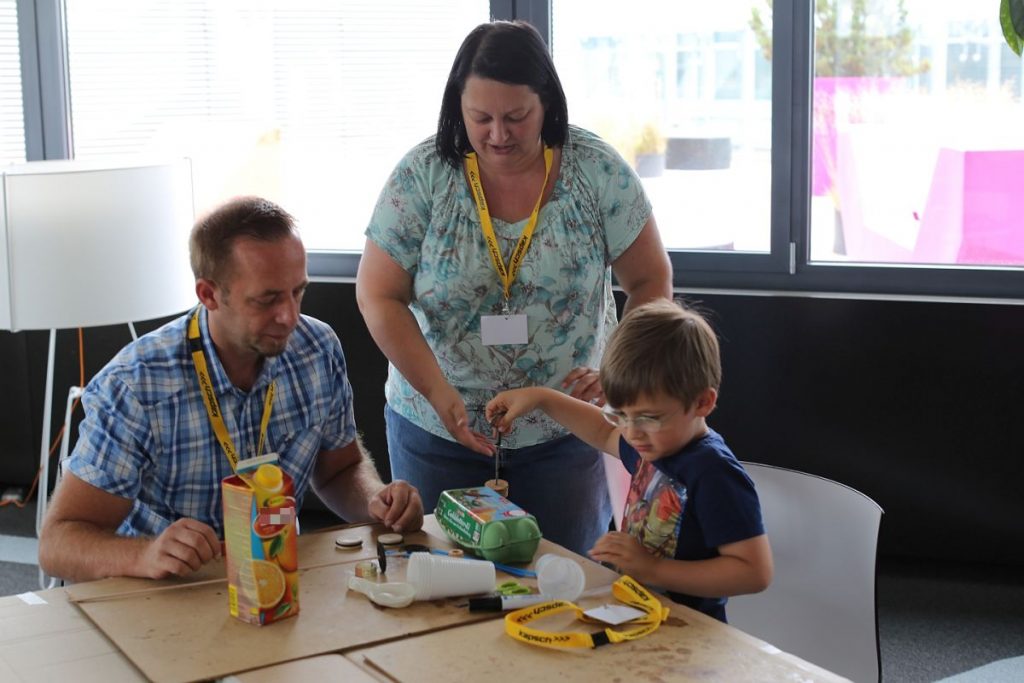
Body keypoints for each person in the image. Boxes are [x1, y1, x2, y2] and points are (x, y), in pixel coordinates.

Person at [356, 20, 672, 555]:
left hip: (567, 431)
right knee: (446, 592)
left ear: (546, 103)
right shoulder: (424, 174)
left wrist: (616, 371)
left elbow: (650, 280)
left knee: (568, 588)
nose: (498, 134)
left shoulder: (595, 171)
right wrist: (439, 393)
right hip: (438, 427)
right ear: (457, 107)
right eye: (480, 118)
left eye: (516, 117)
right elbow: (377, 293)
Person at [38, 196, 423, 583]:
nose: (289, 316)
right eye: (267, 299)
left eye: (297, 292)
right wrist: (144, 555)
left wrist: (375, 499)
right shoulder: (137, 384)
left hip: (273, 581)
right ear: (208, 295)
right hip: (165, 591)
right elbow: (57, 543)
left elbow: (340, 470)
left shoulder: (317, 348)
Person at [485, 299, 772, 622]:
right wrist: (541, 397)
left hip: (689, 630)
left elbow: (754, 571)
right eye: (620, 414)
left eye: (649, 417)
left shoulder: (713, 472)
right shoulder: (653, 443)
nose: (632, 432)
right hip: (637, 614)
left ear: (702, 402)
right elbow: (600, 429)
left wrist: (655, 569)